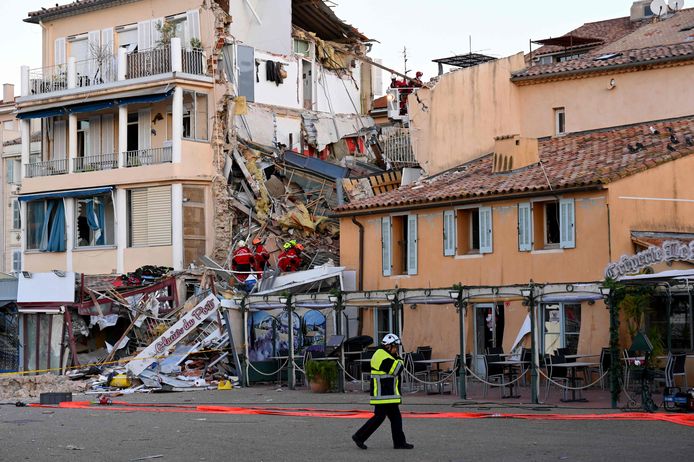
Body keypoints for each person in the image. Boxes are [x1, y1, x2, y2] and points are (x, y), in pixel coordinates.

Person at [352, 333, 413, 450]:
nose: (396, 349)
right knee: (380, 417)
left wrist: (397, 359)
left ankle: (399, 443)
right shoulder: (382, 355)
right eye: (395, 347)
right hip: (383, 394)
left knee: (394, 417)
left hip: (386, 393)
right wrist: (400, 360)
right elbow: (396, 370)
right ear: (388, 346)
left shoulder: (385, 354)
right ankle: (359, 436)